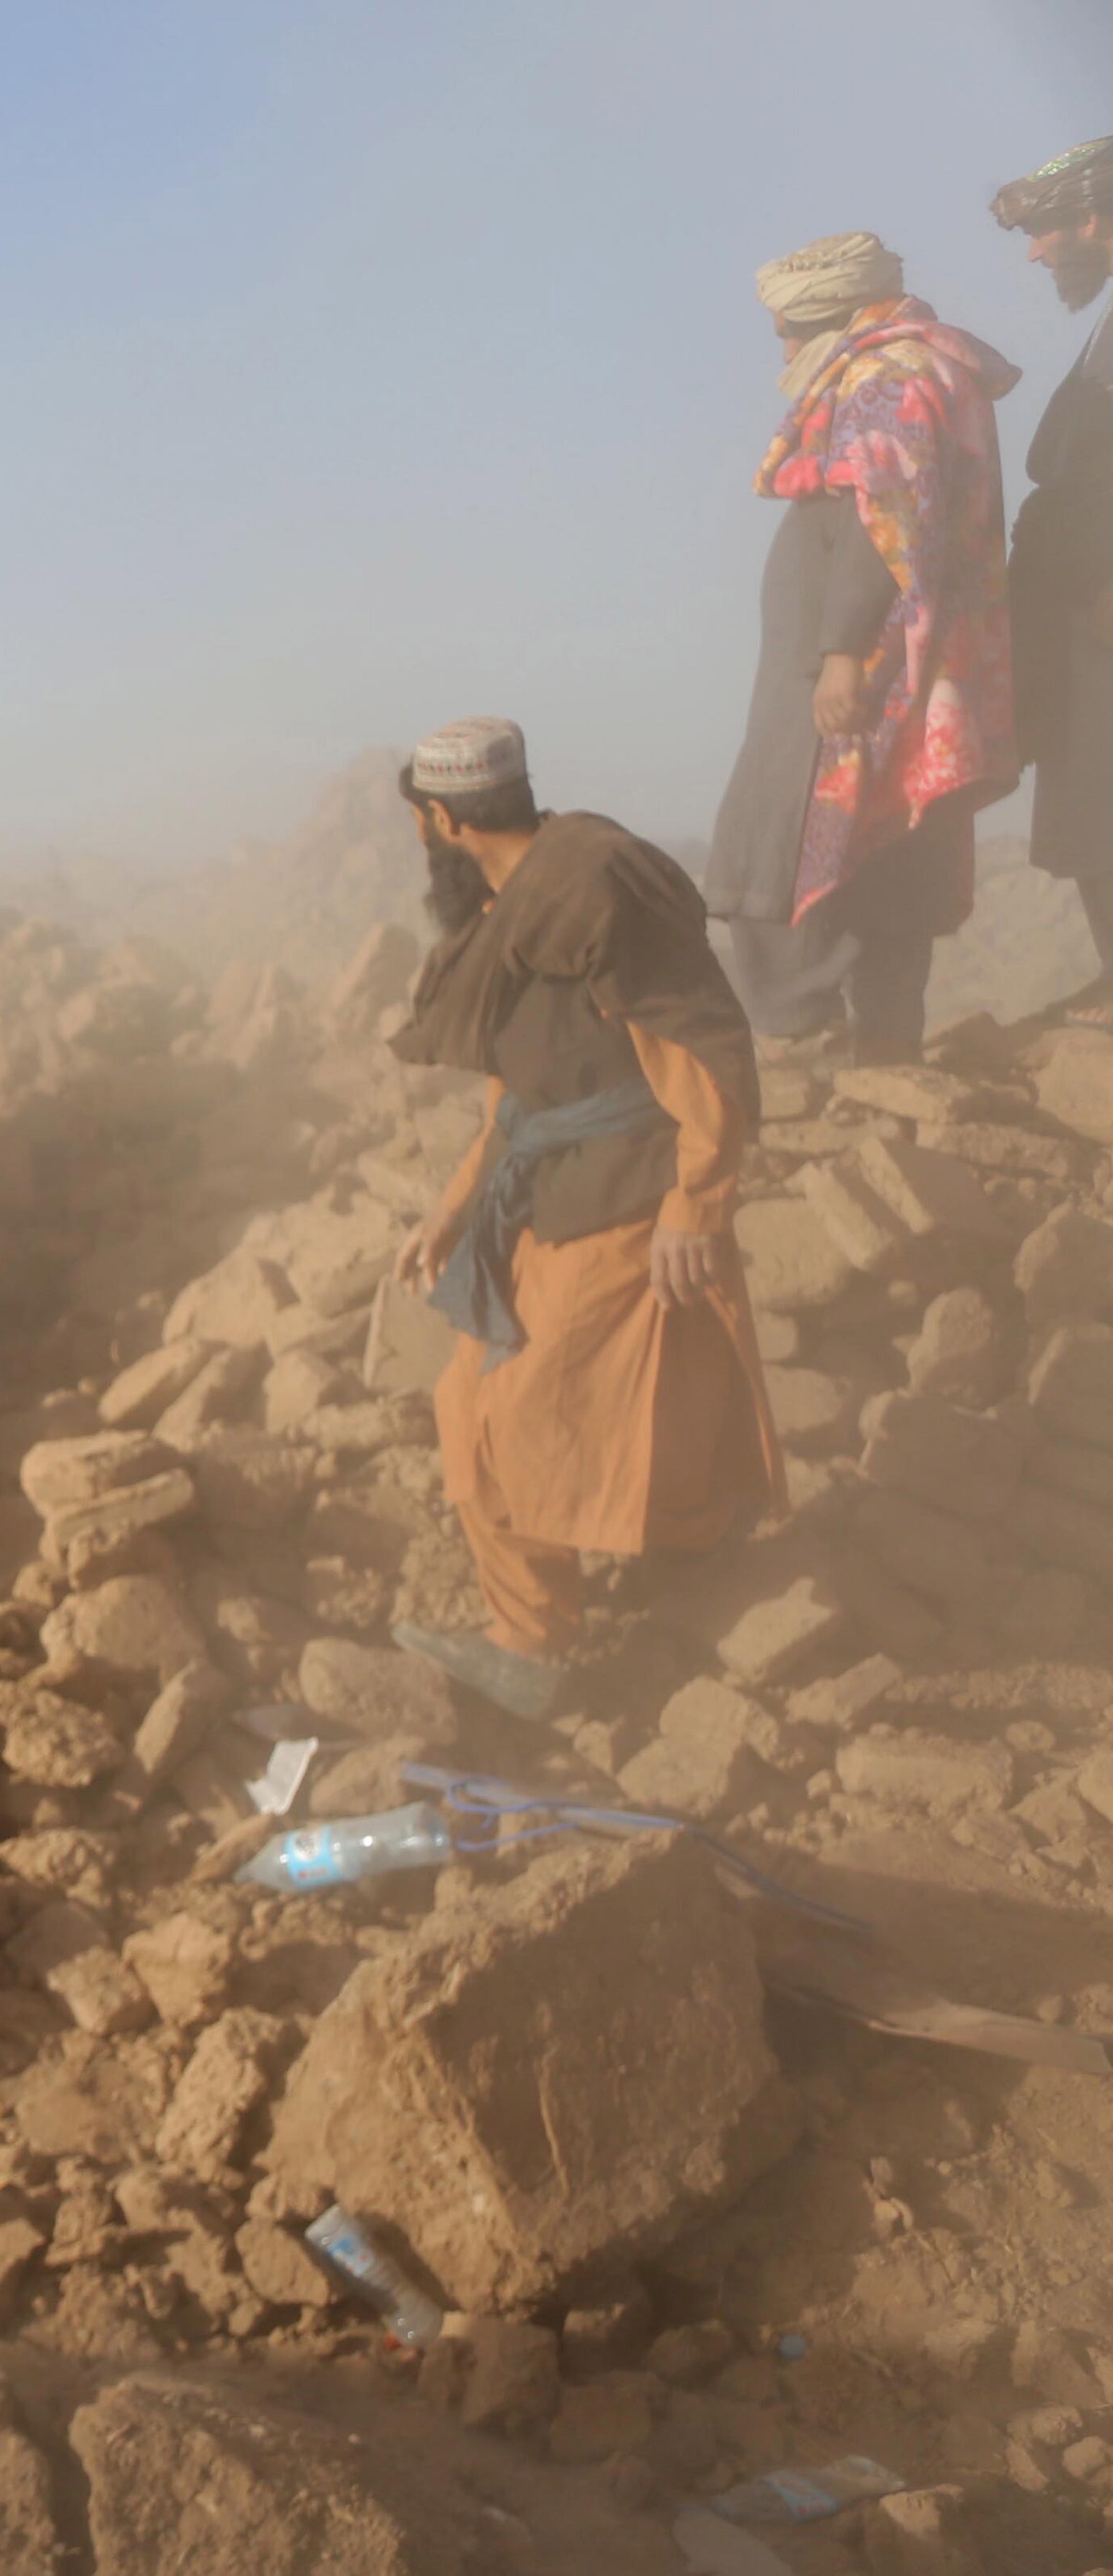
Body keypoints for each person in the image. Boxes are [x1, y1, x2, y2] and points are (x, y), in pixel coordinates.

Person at [385, 720, 782, 1718]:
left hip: (626, 1196)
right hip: (548, 1189)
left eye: (418, 825)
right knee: (470, 1404)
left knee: (519, 1417)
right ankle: (689, 1561)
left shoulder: (593, 883)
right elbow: (513, 1097)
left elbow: (699, 1047)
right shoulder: (517, 900)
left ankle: (528, 1650)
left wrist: (695, 1203)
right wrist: (449, 1211)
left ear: (440, 819)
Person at [704, 234, 1019, 1065]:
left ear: (841, 314)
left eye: (790, 327)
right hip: (901, 659)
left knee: (784, 841)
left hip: (858, 665)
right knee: (882, 848)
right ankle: (882, 1050)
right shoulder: (928, 368)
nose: (781, 347)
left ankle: (801, 1038)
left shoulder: (884, 377)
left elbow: (877, 519)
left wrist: (841, 650)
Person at [997, 137, 1113, 1017]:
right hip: (1076, 607)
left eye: (1042, 231)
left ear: (1093, 218)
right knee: (1086, 791)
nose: (1034, 253)